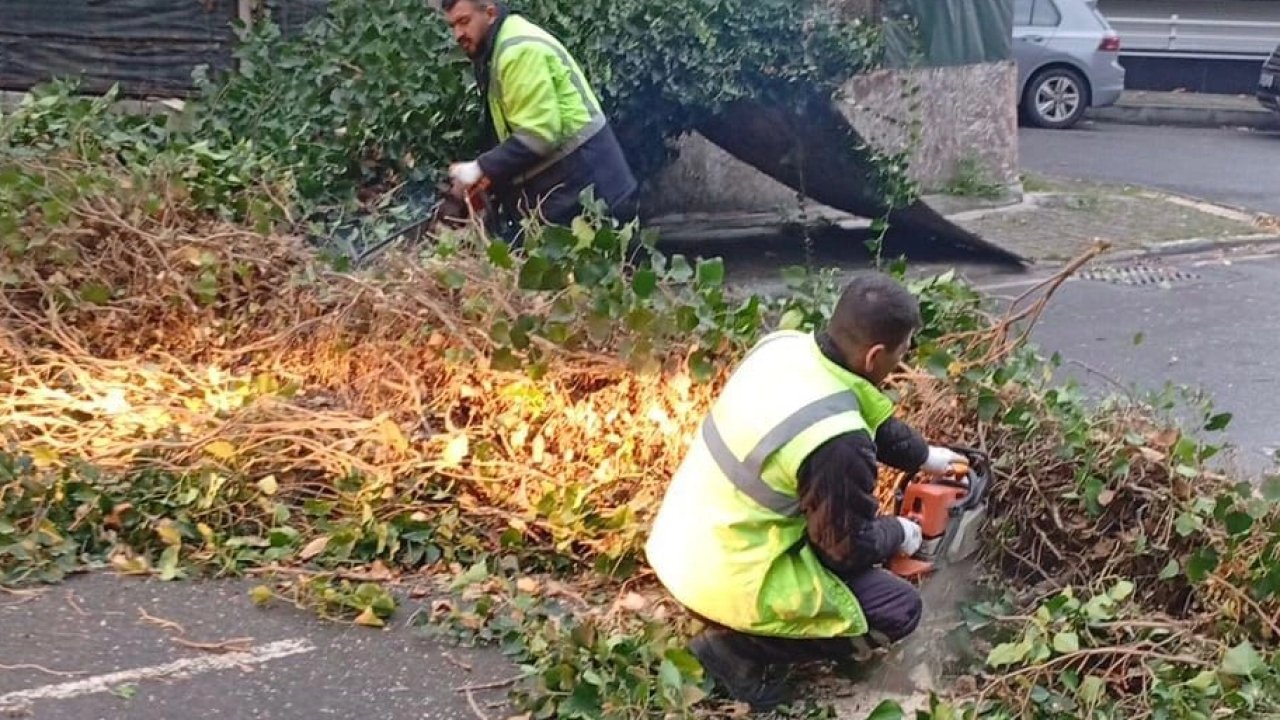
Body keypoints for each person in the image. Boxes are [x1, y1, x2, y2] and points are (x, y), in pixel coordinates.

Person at [644, 272, 966, 711]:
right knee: (899, 609)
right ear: (875, 355)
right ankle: (734, 651)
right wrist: (903, 533)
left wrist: (924, 456)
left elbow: (859, 407)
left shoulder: (786, 347)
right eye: (903, 349)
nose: (904, 356)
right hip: (728, 577)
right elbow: (846, 551)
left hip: (681, 546)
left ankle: (746, 630)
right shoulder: (838, 442)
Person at [440, 0, 639, 230]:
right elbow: (511, 132)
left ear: (490, 13)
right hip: (572, 190)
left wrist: (479, 168)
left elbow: (539, 136)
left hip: (591, 192)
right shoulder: (497, 48)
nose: (458, 34)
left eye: (464, 22)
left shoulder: (517, 51)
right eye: (452, 25)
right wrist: (486, 180)